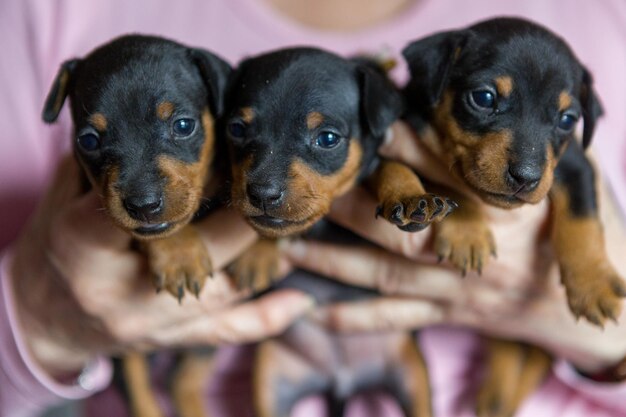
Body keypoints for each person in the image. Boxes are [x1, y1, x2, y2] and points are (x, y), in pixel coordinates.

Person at [0, 0, 624, 416]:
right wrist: (36, 316)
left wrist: (609, 330)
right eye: (487, 100)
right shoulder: (48, 15)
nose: (525, 161)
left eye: (563, 120)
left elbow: (569, 179)